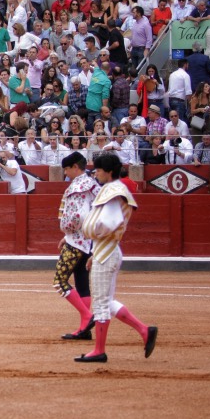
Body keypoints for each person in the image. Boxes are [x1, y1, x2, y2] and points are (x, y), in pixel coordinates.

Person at [75, 153, 158, 363]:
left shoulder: (112, 191)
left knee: (101, 303)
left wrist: (89, 231)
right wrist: (94, 251)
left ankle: (99, 351)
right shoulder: (114, 189)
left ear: (109, 171)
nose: (96, 173)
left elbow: (109, 222)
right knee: (108, 301)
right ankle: (144, 330)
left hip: (107, 251)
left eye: (99, 170)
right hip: (107, 250)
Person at [56, 152, 99, 340]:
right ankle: (85, 329)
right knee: (81, 282)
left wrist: (68, 231)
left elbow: (77, 216)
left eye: (66, 169)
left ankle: (87, 317)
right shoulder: (92, 184)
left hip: (77, 242)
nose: (65, 173)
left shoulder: (78, 186)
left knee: (59, 281)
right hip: (87, 240)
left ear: (75, 167)